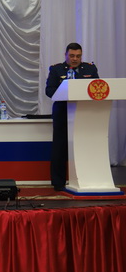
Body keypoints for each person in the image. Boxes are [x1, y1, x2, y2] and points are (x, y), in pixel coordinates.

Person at [45, 42, 99, 191]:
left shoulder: (90, 69)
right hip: (63, 112)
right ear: (66, 55)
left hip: (84, 113)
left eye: (78, 56)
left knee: (85, 146)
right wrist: (65, 91)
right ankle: (58, 183)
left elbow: (97, 87)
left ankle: (87, 179)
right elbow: (49, 91)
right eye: (72, 56)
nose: (75, 59)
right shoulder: (56, 69)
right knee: (60, 148)